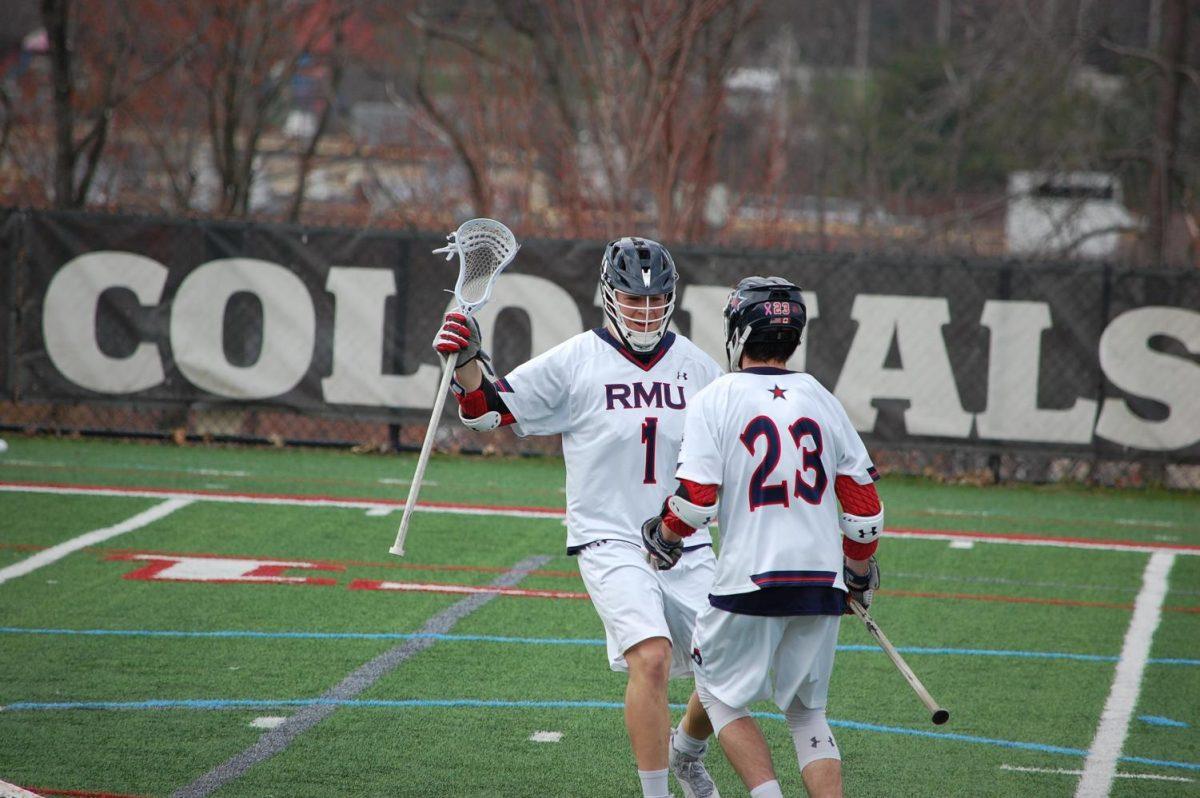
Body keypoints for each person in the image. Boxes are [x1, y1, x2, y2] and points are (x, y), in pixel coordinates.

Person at [432, 237, 726, 798]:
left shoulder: (698, 367)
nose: (644, 310)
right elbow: (486, 410)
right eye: (632, 298)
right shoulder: (576, 359)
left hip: (685, 540)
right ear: (609, 296)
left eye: (655, 298)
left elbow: (729, 454)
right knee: (653, 657)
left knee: (731, 668)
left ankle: (686, 754)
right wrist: (467, 363)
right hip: (610, 538)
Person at [640, 276, 883, 798]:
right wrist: (858, 575)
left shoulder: (717, 397)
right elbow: (864, 512)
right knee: (807, 713)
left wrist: (663, 533)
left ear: (738, 332)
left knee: (719, 694)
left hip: (747, 581)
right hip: (821, 582)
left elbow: (695, 501)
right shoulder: (820, 396)